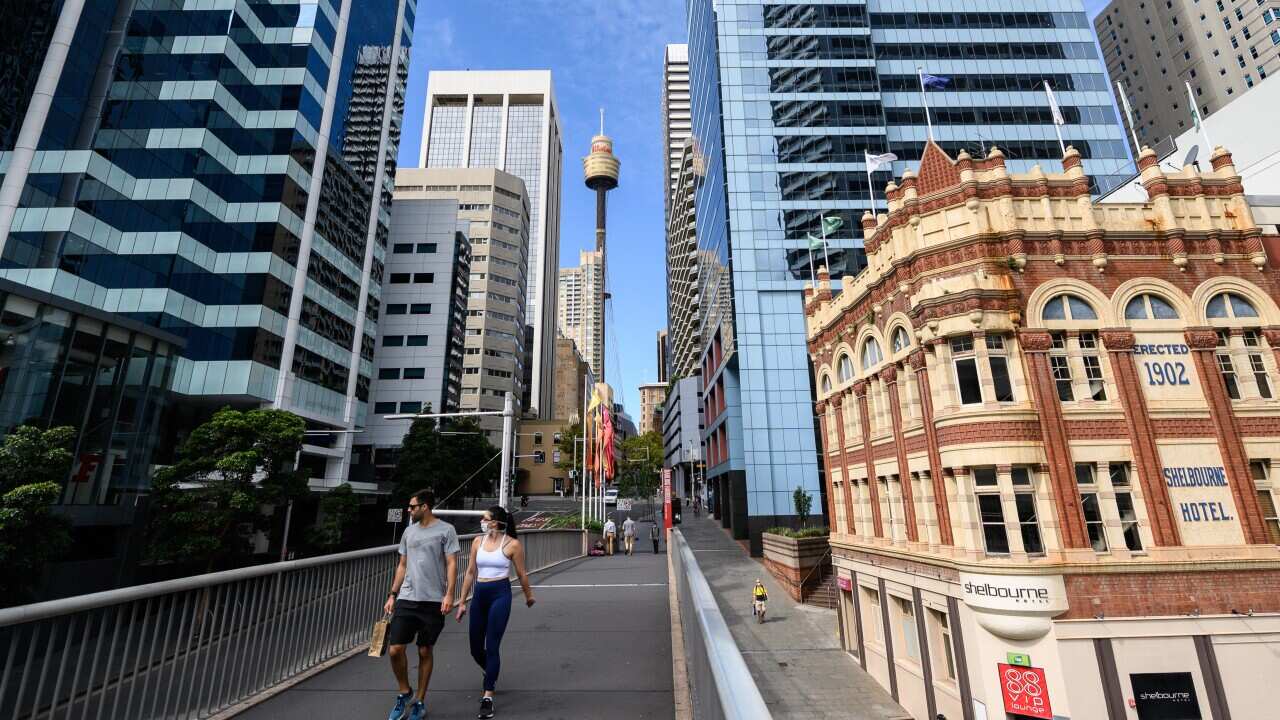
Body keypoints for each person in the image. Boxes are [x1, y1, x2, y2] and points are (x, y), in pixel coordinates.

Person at [383, 490, 460, 720]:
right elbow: (402, 565)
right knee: (395, 649)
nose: (409, 510)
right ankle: (404, 692)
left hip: (433, 600)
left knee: (425, 650)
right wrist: (392, 594)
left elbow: (452, 563)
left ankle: (419, 700)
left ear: (425, 507)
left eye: (412, 506)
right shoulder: (408, 531)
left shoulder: (446, 530)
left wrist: (449, 595)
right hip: (407, 597)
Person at [455, 506, 535, 719]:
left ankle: (488, 696)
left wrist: (528, 596)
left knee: (492, 646)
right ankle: (491, 670)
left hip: (500, 594)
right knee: (475, 648)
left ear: (497, 522)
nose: (482, 521)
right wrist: (462, 602)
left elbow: (521, 573)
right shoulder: (477, 542)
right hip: (480, 595)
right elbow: (470, 572)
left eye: (486, 518)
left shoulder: (512, 544)